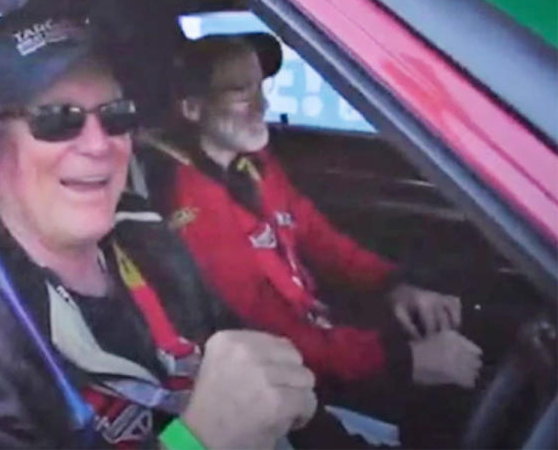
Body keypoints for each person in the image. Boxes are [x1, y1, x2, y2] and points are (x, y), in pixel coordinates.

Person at [0, 9, 317, 448]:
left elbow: (249, 363)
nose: (99, 145)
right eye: (56, 119)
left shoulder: (142, 233)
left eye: (116, 114)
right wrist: (196, 442)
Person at [144, 33, 483, 442]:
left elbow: (318, 235)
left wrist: (393, 285)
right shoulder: (193, 210)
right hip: (296, 376)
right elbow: (271, 332)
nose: (263, 106)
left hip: (324, 339)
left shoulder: (253, 165)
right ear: (193, 108)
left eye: (260, 88)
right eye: (240, 92)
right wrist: (402, 359)